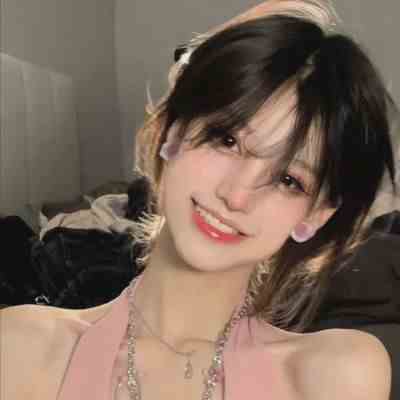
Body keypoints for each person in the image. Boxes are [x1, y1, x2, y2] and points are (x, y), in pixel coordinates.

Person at [1, 1, 396, 399]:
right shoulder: (20, 348)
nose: (236, 196)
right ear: (171, 130)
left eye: (288, 180)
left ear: (317, 215)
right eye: (227, 140)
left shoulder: (336, 373)